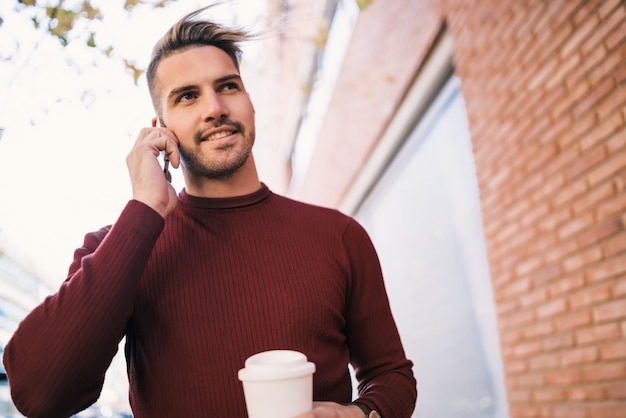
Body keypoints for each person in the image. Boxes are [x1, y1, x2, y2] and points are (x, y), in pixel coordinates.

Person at [2, 6, 417, 418]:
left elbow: (391, 375)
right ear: (160, 129)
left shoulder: (338, 236)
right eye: (187, 96)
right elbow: (40, 395)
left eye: (228, 86)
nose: (215, 107)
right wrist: (144, 210)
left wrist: (360, 415)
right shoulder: (120, 247)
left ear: (250, 102)